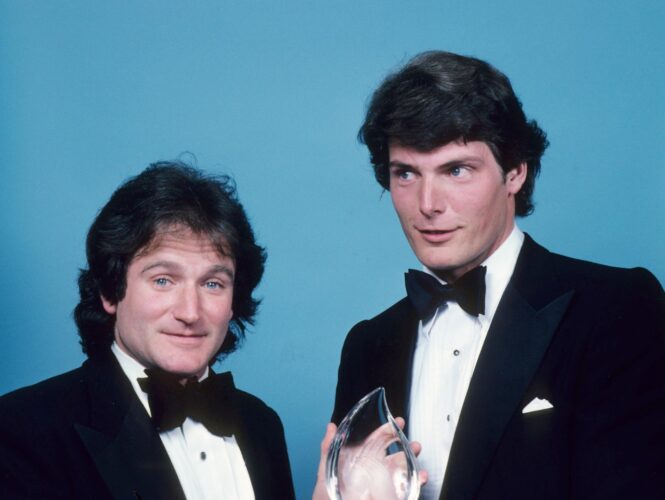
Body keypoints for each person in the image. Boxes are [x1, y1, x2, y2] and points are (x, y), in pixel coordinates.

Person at [316, 51, 665, 499]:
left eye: (456, 170)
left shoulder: (617, 308)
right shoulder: (367, 345)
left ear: (515, 172)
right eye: (406, 174)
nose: (428, 204)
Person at [0, 162, 295, 500]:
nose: (190, 312)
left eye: (213, 283)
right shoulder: (22, 429)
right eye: (163, 280)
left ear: (233, 302)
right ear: (110, 291)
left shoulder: (262, 424)